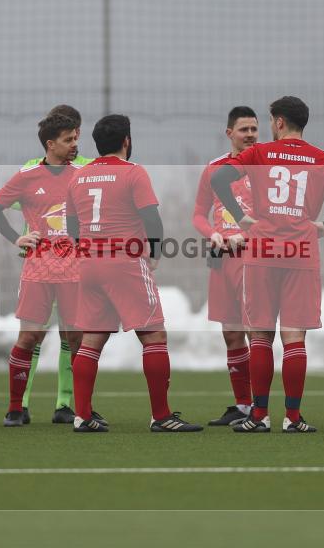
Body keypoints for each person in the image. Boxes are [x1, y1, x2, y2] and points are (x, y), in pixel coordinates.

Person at [212, 96, 324, 433]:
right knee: (295, 338)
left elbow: (219, 180)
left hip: (262, 252)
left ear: (279, 122)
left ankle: (258, 416)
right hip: (302, 253)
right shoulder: (322, 158)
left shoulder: (259, 153)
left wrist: (241, 218)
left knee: (261, 336)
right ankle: (293, 418)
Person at [65, 114, 203, 432]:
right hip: (124, 262)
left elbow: (72, 226)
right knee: (154, 335)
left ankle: (82, 416)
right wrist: (153, 254)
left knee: (92, 339)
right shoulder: (133, 173)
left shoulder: (78, 177)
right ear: (127, 141)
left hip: (88, 263)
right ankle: (162, 416)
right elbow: (152, 219)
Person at [0, 104, 94, 425]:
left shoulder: (83, 175)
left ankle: (78, 409)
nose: (75, 144)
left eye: (76, 137)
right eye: (68, 139)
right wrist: (15, 238)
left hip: (75, 271)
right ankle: (15, 408)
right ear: (51, 144)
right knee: (29, 338)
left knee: (76, 340)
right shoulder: (27, 176)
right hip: (37, 271)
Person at [192, 106, 257, 425]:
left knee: (254, 331)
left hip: (253, 258)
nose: (250, 135)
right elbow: (197, 215)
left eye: (254, 129)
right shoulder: (214, 169)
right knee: (231, 333)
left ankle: (259, 407)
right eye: (244, 129)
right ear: (229, 133)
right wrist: (214, 234)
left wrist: (249, 237)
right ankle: (242, 404)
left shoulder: (268, 167)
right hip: (221, 260)